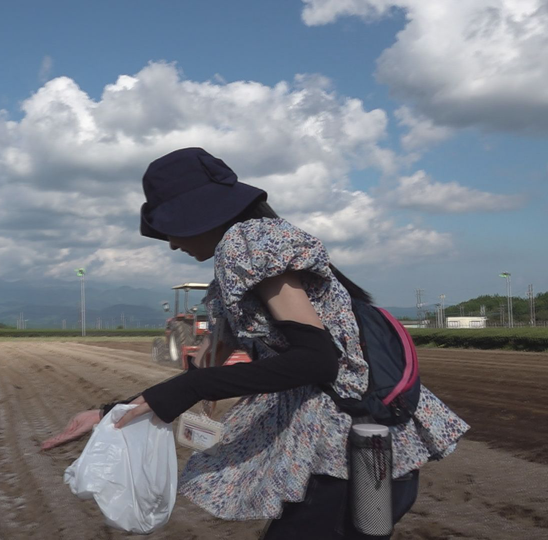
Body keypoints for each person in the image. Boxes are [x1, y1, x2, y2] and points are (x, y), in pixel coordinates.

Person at [41, 147, 469, 539]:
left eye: (171, 227)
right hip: (372, 445)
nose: (170, 242)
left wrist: (184, 391)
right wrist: (109, 411)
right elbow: (214, 372)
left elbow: (317, 362)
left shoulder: (249, 243)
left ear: (200, 213)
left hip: (347, 453)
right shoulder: (249, 253)